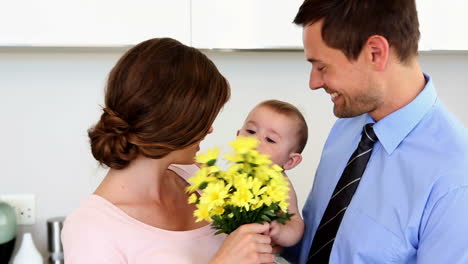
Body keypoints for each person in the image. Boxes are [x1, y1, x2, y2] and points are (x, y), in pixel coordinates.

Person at [283, 0, 468, 263]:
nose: (314, 83)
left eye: (322, 67)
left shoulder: (456, 179)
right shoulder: (350, 123)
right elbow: (317, 243)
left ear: (375, 53)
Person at [62, 38, 276, 264]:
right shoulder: (91, 228)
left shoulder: (200, 180)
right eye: (203, 119)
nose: (210, 129)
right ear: (175, 120)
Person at [237, 99, 308, 247]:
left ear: (290, 161)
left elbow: (295, 224)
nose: (255, 140)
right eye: (250, 131)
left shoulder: (280, 185)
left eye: (270, 140)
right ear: (238, 135)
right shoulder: (231, 175)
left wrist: (279, 230)